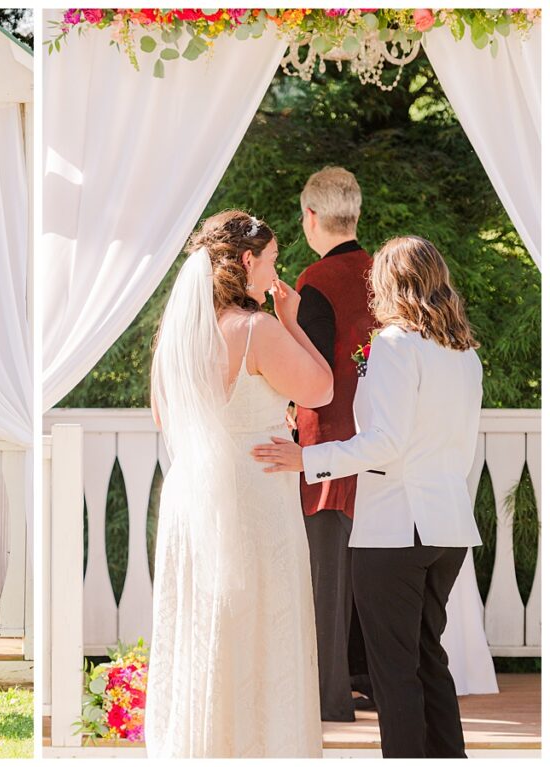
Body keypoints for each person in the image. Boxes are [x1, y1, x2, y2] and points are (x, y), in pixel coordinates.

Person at [253, 236, 483, 758]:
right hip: (447, 525)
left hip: (397, 527)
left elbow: (385, 442)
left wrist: (308, 460)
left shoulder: (396, 345)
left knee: (394, 671)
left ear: (388, 282)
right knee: (427, 659)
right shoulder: (465, 354)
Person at [145, 210, 332, 757]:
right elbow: (320, 389)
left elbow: (163, 416)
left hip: (192, 495)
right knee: (261, 625)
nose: (276, 272)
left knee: (204, 626)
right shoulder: (257, 329)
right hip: (254, 494)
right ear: (248, 261)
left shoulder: (180, 333)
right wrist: (291, 320)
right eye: (272, 260)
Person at [295, 166, 376, 721]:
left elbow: (312, 375)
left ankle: (328, 696)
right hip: (380, 443)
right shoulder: (383, 274)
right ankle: (368, 680)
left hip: (326, 445)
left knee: (326, 579)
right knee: (371, 576)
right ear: (356, 213)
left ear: (311, 217)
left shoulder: (315, 281)